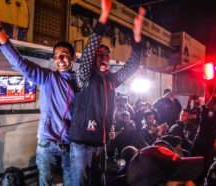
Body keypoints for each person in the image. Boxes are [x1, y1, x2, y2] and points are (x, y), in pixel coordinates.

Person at [0, 1, 110, 185]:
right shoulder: (47, 78)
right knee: (46, 183)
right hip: (47, 144)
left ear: (73, 58)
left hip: (72, 146)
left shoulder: (81, 80)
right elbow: (20, 63)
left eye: (65, 54)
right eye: (56, 56)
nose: (60, 59)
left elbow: (92, 54)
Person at [68, 3, 145, 185]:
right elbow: (87, 54)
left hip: (101, 145)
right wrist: (103, 16)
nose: (104, 57)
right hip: (82, 144)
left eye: (107, 54)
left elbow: (132, 65)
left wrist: (136, 38)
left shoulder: (112, 80)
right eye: (99, 54)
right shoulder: (85, 76)